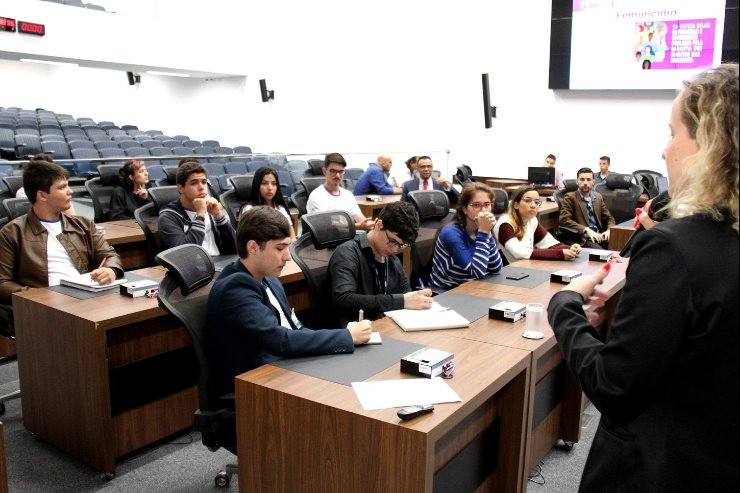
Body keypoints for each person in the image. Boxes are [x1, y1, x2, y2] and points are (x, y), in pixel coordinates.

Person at [547, 63, 739, 491]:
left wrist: (565, 307)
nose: (664, 150)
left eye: (672, 133)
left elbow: (616, 389)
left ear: (710, 143)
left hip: (661, 468)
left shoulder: (675, 248)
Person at [207, 206, 372, 401]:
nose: (288, 256)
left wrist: (341, 339)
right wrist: (345, 336)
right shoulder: (235, 288)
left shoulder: (270, 279)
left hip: (283, 367)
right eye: (279, 248)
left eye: (288, 247)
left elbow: (294, 329)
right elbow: (281, 341)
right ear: (253, 247)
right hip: (256, 384)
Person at [0, 160, 123, 304]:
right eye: (62, 187)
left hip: (86, 298)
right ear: (42, 195)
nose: (70, 191)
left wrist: (111, 270)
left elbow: (109, 255)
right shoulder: (12, 233)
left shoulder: (84, 224)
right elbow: (3, 283)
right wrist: (37, 296)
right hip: (44, 308)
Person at [328, 201, 433, 326]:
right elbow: (344, 299)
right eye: (393, 242)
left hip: (385, 326)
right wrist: (401, 301)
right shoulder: (347, 253)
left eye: (401, 245)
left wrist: (417, 299)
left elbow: (406, 295)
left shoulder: (393, 260)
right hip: (355, 332)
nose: (395, 250)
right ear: (378, 225)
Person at [430, 183, 504, 289]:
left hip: (474, 287)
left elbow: (496, 268)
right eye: (476, 205)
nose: (484, 210)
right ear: (464, 209)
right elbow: (477, 272)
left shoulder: (482, 228)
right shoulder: (451, 233)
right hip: (448, 292)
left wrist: (488, 233)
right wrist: (483, 233)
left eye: (487, 204)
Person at [158, 161, 236, 255]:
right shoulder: (168, 217)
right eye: (194, 183)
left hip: (220, 263)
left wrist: (218, 216)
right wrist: (200, 216)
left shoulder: (211, 208)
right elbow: (186, 254)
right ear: (180, 188)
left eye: (204, 182)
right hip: (192, 267)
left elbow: (236, 247)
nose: (201, 187)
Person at [494, 185, 580, 264]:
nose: (533, 206)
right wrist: (560, 253)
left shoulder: (532, 220)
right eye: (528, 201)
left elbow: (550, 243)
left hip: (525, 266)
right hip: (508, 271)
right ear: (516, 205)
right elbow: (518, 253)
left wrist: (569, 248)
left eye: (536, 202)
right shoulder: (505, 224)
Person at [306, 152, 375, 231]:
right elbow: (326, 226)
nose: (338, 176)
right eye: (333, 171)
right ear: (324, 171)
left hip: (348, 237)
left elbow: (361, 219)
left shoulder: (347, 195)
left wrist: (371, 224)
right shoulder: (317, 196)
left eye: (341, 171)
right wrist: (355, 226)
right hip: (328, 239)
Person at [559, 167, 616, 249]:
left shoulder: (598, 197)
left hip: (600, 237)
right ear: (577, 181)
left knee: (621, 248)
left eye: (588, 180)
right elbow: (564, 220)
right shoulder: (570, 197)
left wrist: (609, 230)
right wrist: (586, 230)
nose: (585, 183)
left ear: (593, 182)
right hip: (583, 239)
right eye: (582, 179)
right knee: (603, 253)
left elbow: (609, 218)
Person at [238, 166, 295, 238]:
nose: (270, 188)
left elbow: (291, 235)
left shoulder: (280, 208)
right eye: (264, 183)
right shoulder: (249, 209)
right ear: (257, 185)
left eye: (274, 184)